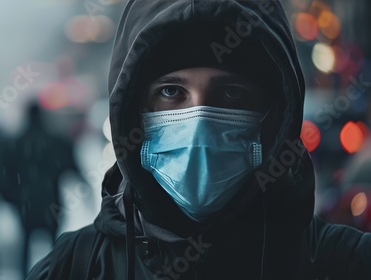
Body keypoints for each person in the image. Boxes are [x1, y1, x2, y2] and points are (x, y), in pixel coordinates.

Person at [27, 1, 371, 279]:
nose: (200, 118)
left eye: (231, 93)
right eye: (171, 91)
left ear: (273, 117)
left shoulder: (343, 264)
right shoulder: (76, 267)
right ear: (134, 112)